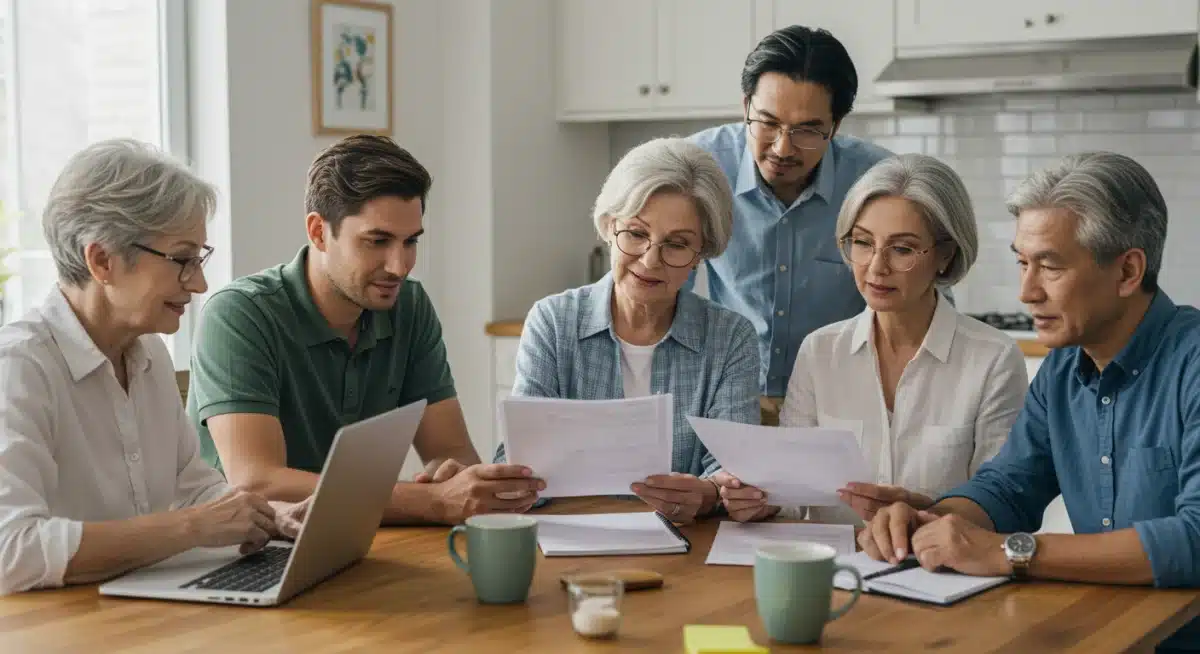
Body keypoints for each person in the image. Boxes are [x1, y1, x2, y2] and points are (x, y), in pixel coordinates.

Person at [859, 152, 1200, 653]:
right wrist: (934, 523)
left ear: (1128, 271)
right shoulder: (1064, 366)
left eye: (1051, 267)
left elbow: (1195, 539)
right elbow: (1010, 486)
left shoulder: (1192, 363)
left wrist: (1012, 552)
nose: (1026, 291)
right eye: (1023, 263)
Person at [0, 139, 309, 594]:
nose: (200, 283)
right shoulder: (19, 367)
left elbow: (193, 487)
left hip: (143, 611)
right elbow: (12, 550)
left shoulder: (148, 353)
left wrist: (269, 515)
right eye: (183, 260)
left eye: (199, 259)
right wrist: (190, 528)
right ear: (101, 260)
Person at [188, 135, 544, 526]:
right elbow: (258, 482)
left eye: (411, 242)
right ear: (319, 232)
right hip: (247, 551)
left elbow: (450, 450)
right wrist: (430, 500)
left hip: (356, 541)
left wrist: (457, 479)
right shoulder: (240, 314)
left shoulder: (409, 306)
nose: (399, 265)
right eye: (377, 241)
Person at [716, 154, 1027, 524]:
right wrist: (758, 500)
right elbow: (792, 497)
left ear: (945, 255)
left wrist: (923, 512)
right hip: (832, 569)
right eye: (862, 243)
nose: (876, 267)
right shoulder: (820, 351)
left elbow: (1003, 506)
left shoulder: (993, 359)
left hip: (935, 570)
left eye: (902, 249)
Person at [493, 137, 761, 524]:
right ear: (608, 227)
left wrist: (707, 495)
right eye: (636, 234)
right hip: (569, 536)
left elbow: (734, 473)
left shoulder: (730, 337)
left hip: (687, 545)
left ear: (701, 255)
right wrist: (518, 482)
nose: (650, 260)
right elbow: (515, 465)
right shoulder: (552, 322)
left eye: (677, 244)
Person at [689, 25, 893, 423]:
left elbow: (920, 307)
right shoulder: (699, 166)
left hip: (843, 403)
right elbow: (663, 296)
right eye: (767, 122)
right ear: (745, 105)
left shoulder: (877, 181)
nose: (782, 148)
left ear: (835, 126)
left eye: (806, 131)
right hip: (729, 397)